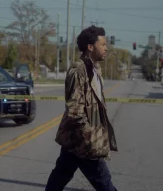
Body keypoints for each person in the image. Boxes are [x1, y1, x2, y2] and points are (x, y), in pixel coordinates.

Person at [45, 25, 118, 191]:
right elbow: (75, 110)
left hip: (75, 141)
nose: (106, 48)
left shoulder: (94, 69)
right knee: (104, 182)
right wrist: (91, 138)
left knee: (59, 177)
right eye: (103, 44)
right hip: (84, 140)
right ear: (90, 47)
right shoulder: (79, 70)